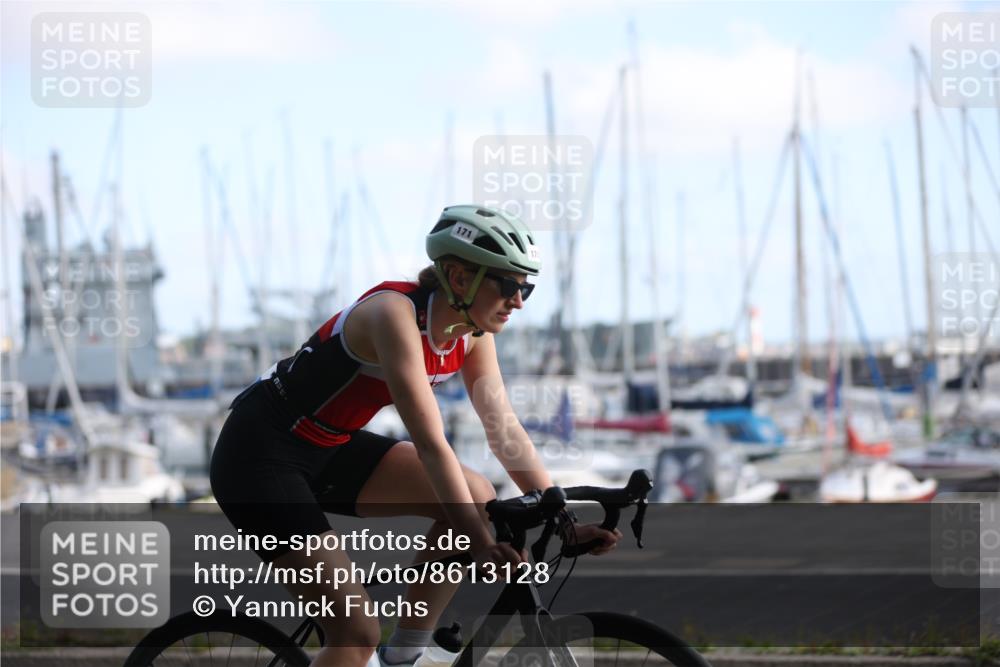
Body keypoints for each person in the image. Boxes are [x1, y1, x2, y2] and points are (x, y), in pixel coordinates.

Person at [210, 205, 621, 667]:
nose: (520, 300)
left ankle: (404, 655)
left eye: (526, 286)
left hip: (328, 446)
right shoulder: (392, 315)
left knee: (478, 495)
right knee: (354, 631)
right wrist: (481, 544)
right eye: (508, 284)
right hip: (259, 456)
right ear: (459, 278)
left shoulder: (472, 333)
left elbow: (501, 425)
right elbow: (431, 444)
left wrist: (563, 523)